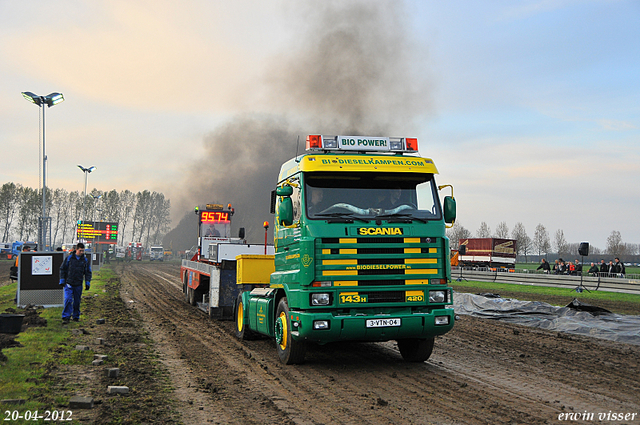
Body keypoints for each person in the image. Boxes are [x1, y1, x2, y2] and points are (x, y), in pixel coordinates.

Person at [59, 242, 92, 324]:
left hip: (78, 284)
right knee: (68, 300)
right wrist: (62, 280)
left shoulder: (85, 261)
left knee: (77, 301)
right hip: (69, 283)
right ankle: (66, 316)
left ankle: (76, 316)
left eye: (83, 251)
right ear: (76, 250)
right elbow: (62, 269)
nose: (81, 252)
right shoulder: (69, 258)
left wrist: (87, 282)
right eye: (80, 251)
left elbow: (88, 272)